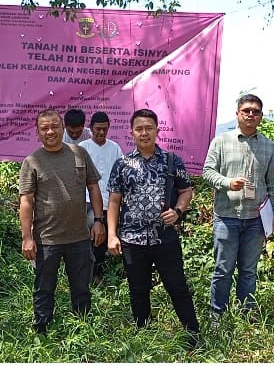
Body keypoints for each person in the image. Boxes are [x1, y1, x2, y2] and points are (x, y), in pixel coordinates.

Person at [107, 109, 200, 351]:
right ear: (131, 132)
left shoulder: (171, 160)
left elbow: (186, 190)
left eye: (149, 128)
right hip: (132, 240)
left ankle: (193, 335)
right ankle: (144, 335)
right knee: (138, 289)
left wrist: (178, 211)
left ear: (158, 130)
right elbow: (114, 201)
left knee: (177, 286)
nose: (144, 133)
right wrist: (112, 235)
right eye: (139, 128)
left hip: (165, 239)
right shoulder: (122, 164)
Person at [19, 109, 105, 335]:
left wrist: (98, 220)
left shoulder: (79, 154)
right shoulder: (32, 161)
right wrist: (27, 237)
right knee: (44, 289)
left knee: (81, 288)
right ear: (38, 132)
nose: (50, 131)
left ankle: (84, 331)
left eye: (54, 126)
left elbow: (93, 187)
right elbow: (26, 201)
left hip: (79, 236)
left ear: (62, 127)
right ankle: (42, 333)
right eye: (44, 128)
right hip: (47, 239)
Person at [202, 94, 274, 322]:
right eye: (246, 110)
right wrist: (227, 182)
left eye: (255, 111)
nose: (250, 114)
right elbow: (207, 173)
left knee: (248, 272)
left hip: (256, 220)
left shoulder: (268, 147)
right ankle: (216, 317)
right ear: (237, 113)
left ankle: (245, 317)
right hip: (226, 216)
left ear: (260, 116)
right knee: (223, 270)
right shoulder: (221, 141)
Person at [78, 111, 124, 285]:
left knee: (102, 241)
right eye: (98, 129)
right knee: (89, 239)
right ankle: (88, 276)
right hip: (87, 201)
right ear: (91, 129)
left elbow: (121, 174)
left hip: (110, 202)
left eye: (105, 129)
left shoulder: (115, 147)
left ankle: (99, 275)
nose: (101, 133)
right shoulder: (83, 147)